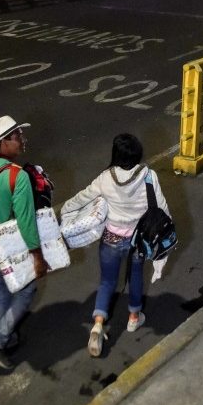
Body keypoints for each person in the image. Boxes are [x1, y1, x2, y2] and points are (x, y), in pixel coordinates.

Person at [61, 134, 170, 357]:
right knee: (136, 276)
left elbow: (83, 197)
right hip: (137, 240)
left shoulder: (105, 178)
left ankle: (98, 324)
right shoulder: (149, 176)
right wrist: (168, 231)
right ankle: (133, 318)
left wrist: (65, 210)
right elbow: (161, 206)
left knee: (107, 281)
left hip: (111, 239)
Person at [0, 115, 47, 370]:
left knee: (2, 291)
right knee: (26, 291)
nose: (22, 141)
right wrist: (37, 256)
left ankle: (7, 334)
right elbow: (26, 222)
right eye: (17, 137)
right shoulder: (17, 176)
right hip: (9, 250)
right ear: (3, 144)